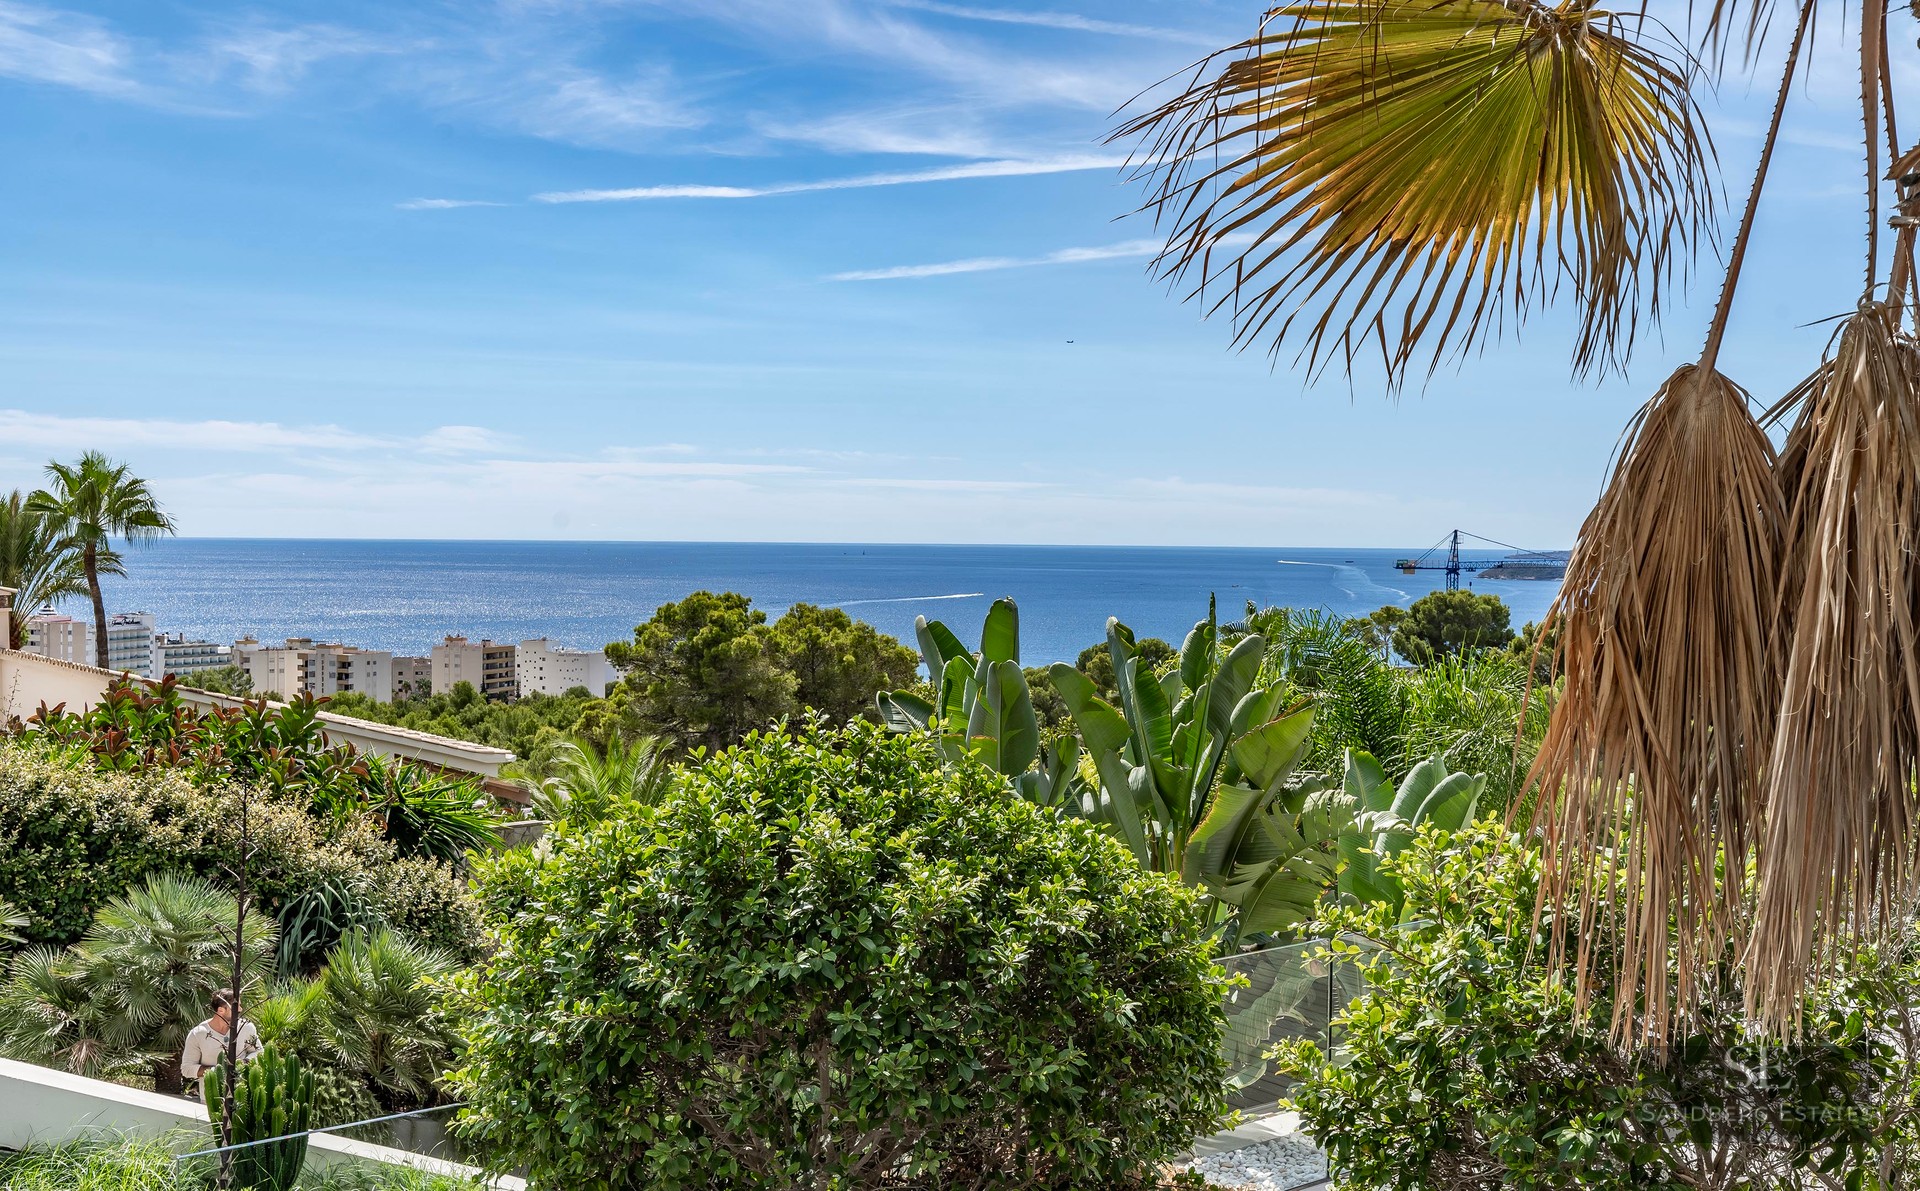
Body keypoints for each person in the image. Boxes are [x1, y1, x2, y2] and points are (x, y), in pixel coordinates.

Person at [180, 987, 261, 1098]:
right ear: (221, 1010)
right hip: (210, 1100)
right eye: (236, 1006)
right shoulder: (198, 1033)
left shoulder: (246, 1027)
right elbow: (187, 1068)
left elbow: (259, 1052)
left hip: (242, 1097)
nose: (241, 1009)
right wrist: (217, 1071)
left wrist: (242, 1063)